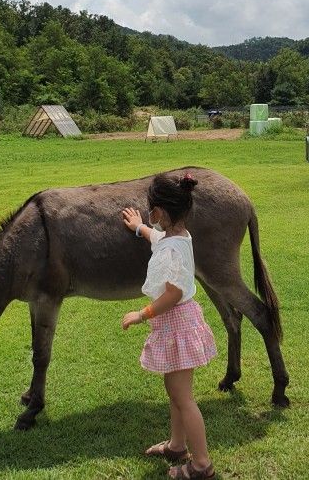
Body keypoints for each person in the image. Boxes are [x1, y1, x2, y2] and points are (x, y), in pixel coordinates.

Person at [121, 172, 218, 480]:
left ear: (159, 212)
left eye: (151, 211)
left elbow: (173, 293)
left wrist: (142, 313)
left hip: (176, 321)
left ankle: (201, 465)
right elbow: (157, 238)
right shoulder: (178, 237)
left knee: (183, 397)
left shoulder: (173, 249)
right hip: (179, 323)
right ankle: (177, 446)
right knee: (175, 391)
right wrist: (140, 228)